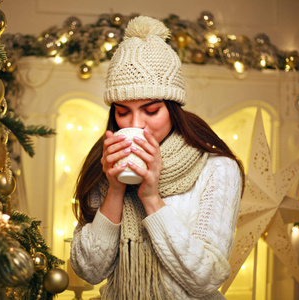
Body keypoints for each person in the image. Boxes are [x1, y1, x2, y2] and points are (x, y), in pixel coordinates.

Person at [70, 16, 244, 300]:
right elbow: (89, 270)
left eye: (150, 110)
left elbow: (207, 278)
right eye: (123, 111)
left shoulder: (217, 168)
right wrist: (115, 190)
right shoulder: (105, 162)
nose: (135, 124)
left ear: (173, 109)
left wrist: (151, 197)